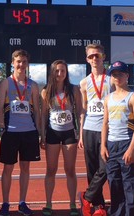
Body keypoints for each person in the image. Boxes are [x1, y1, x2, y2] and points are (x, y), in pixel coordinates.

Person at [0, 49, 41, 216]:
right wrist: (2, 126)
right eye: (18, 61)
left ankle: (22, 202)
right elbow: (0, 106)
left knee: (25, 168)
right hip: (11, 131)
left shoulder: (33, 85)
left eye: (24, 61)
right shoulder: (6, 83)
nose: (21, 65)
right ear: (13, 63)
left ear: (27, 63)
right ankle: (5, 203)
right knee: (8, 168)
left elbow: (36, 110)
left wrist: (38, 131)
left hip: (28, 131)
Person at [101, 61, 134, 216]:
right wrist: (103, 146)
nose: (117, 77)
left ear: (127, 75)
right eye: (114, 74)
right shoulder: (108, 99)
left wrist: (132, 149)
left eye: (120, 74)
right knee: (115, 184)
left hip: (128, 143)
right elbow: (105, 123)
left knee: (131, 185)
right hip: (112, 146)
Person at [40, 60, 83, 216]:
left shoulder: (74, 90)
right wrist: (42, 135)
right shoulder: (46, 91)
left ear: (67, 72)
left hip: (69, 133)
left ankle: (72, 204)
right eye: (57, 71)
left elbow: (79, 112)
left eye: (63, 71)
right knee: (51, 170)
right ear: (53, 72)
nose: (60, 74)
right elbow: (44, 114)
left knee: (70, 170)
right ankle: (48, 204)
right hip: (52, 133)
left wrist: (81, 133)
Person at [78, 43, 113, 216]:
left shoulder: (112, 79)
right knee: (92, 170)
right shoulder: (84, 82)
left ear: (103, 57)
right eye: (91, 56)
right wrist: (81, 135)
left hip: (108, 129)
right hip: (89, 129)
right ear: (87, 59)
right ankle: (99, 206)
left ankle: (87, 197)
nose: (94, 59)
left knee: (106, 167)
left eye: (97, 55)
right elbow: (83, 109)